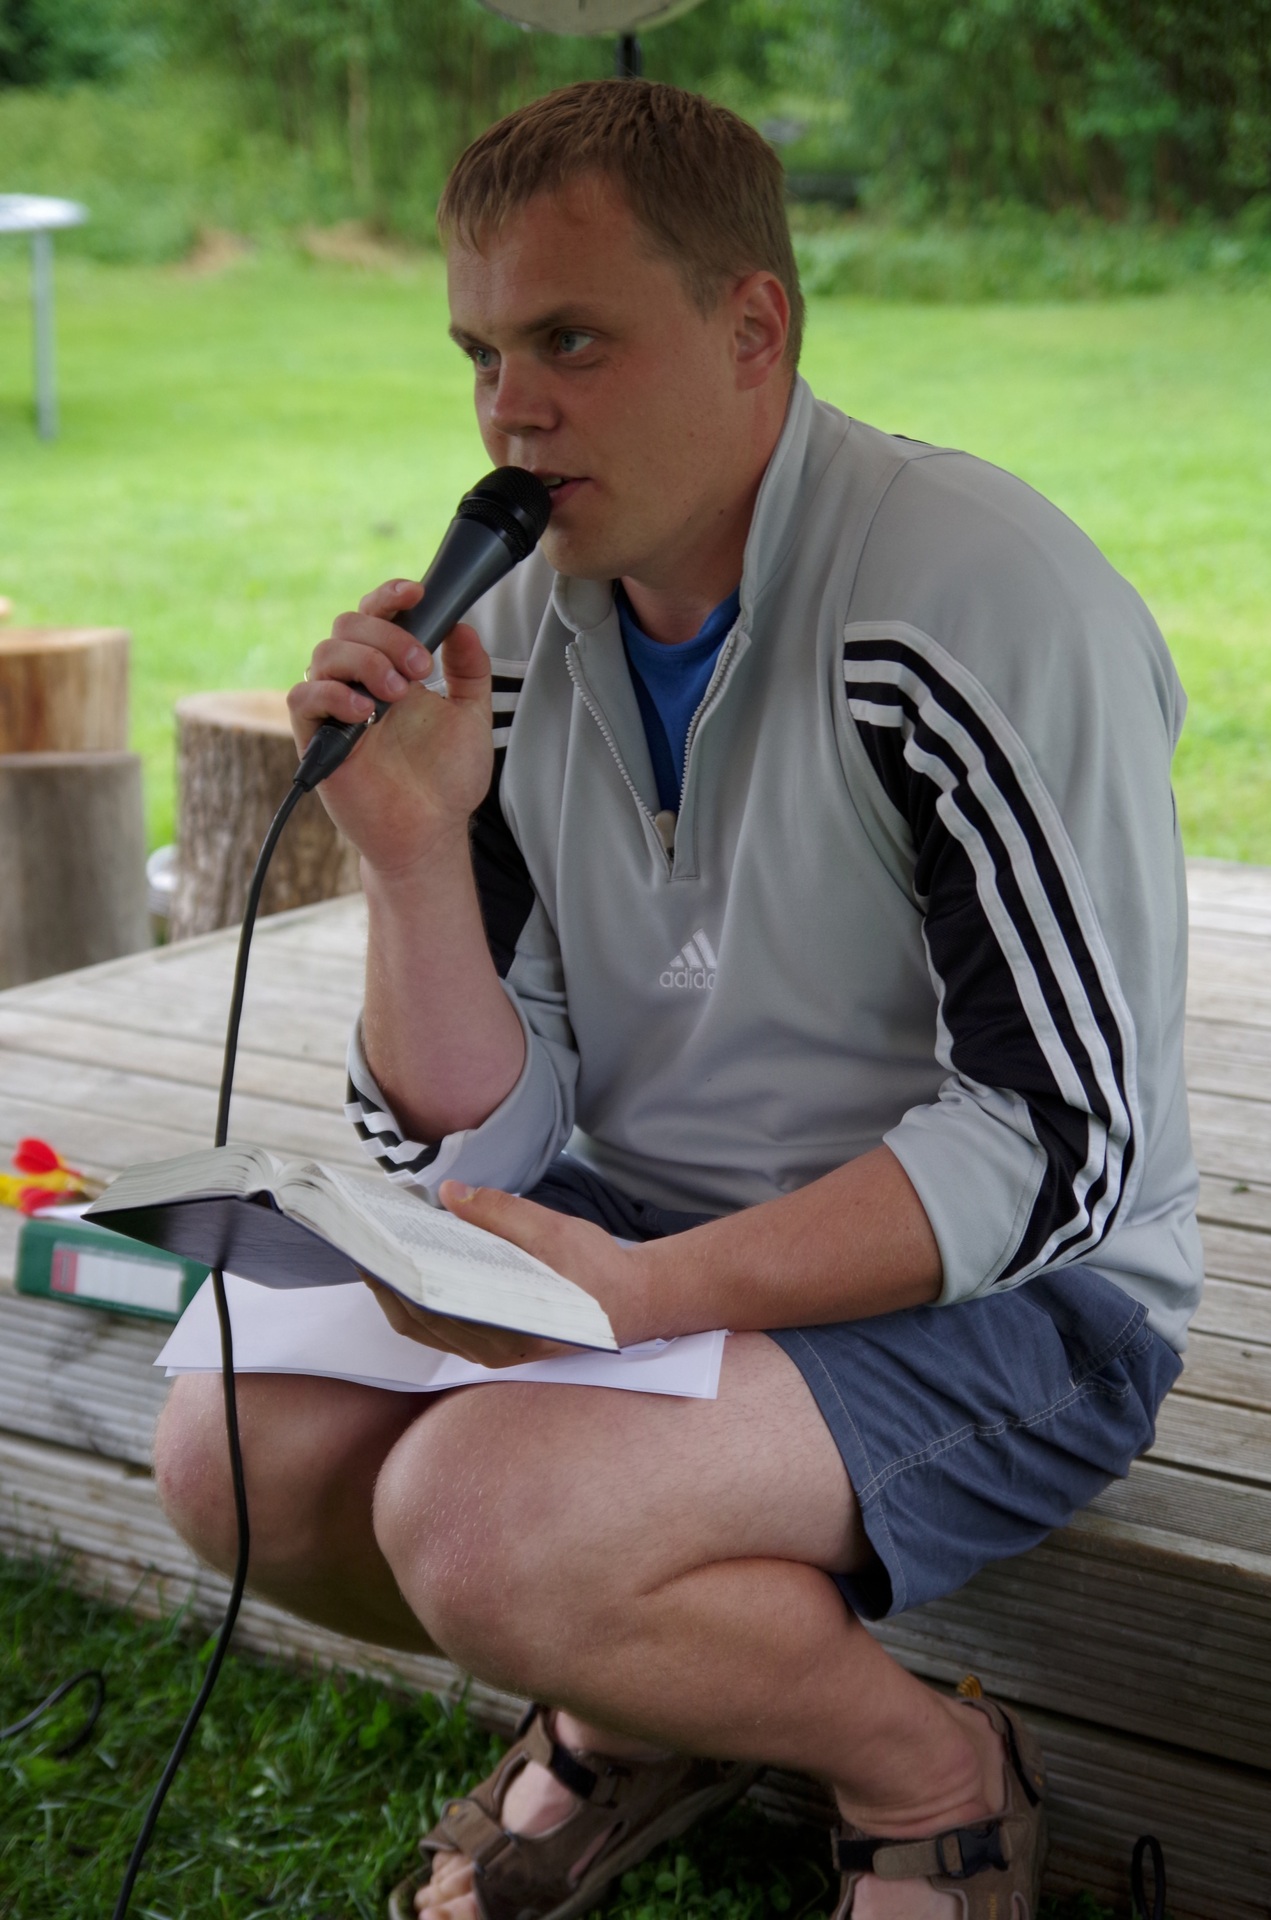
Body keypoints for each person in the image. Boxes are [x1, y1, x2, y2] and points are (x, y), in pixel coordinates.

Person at [153, 80, 1202, 1920]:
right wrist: (413, 853)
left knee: (480, 1519)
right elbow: (470, 1129)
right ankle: (642, 1700)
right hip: (643, 1224)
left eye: (571, 339)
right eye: (481, 353)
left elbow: (1059, 1144)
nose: (511, 409)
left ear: (752, 326)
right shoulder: (520, 628)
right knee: (235, 1450)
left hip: (1020, 1299)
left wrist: (649, 1295)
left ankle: (925, 1774)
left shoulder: (969, 597)